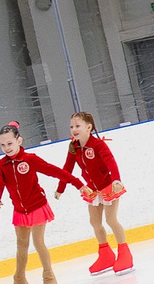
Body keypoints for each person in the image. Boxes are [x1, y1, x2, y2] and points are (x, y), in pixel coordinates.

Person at [0, 122, 64, 284]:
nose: (6, 148)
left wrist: (76, 183)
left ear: (19, 140)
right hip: (20, 211)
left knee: (38, 242)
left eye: (9, 143)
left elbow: (52, 170)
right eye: (2, 145)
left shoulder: (30, 159)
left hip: (37, 206)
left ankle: (49, 278)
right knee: (21, 245)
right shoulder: (2, 164)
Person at [56, 111, 132, 275]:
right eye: (71, 126)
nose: (74, 129)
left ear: (88, 127)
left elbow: (110, 161)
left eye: (78, 126)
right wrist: (60, 188)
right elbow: (67, 169)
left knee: (111, 219)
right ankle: (105, 254)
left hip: (107, 187)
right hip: (92, 190)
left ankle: (125, 253)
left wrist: (116, 180)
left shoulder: (98, 145)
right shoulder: (74, 147)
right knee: (95, 223)